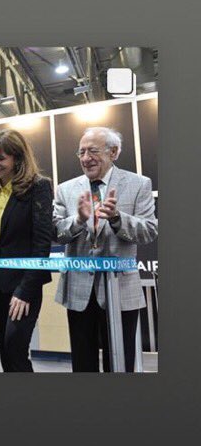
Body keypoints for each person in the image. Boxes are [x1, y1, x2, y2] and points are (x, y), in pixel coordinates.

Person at [53, 126, 157, 372]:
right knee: (83, 364)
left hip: (121, 290)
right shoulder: (66, 189)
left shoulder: (139, 184)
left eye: (93, 151)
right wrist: (77, 219)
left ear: (114, 152)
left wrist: (118, 218)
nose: (86, 158)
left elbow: (149, 231)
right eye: (81, 152)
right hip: (78, 292)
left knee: (120, 365)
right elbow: (56, 233)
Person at [0, 129, 53, 372]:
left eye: (1, 158)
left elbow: (42, 244)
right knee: (3, 347)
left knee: (15, 345)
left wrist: (25, 291)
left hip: (24, 285)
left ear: (17, 159)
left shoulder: (39, 187)